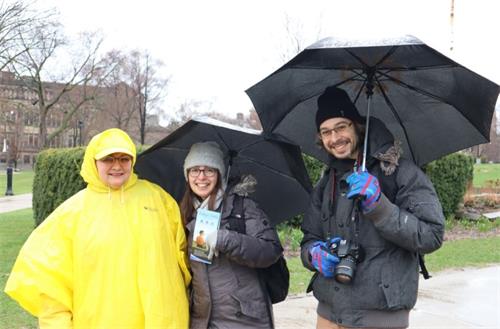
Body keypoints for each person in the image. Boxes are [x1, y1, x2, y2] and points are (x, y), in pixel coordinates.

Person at [5, 128, 191, 328]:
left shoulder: (159, 199)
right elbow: (48, 282)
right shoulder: (72, 213)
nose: (117, 166)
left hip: (159, 320)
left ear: (132, 162)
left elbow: (184, 257)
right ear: (93, 162)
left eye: (124, 159)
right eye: (108, 159)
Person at [300, 86, 445, 329]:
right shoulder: (328, 181)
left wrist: (379, 207)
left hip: (378, 317)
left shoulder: (400, 171)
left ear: (357, 125)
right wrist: (313, 254)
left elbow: (431, 235)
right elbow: (309, 237)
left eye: (341, 127)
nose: (334, 139)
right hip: (328, 312)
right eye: (326, 132)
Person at [180, 141, 283, 329]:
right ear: (187, 175)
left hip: (242, 319)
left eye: (209, 170)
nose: (201, 177)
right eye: (194, 170)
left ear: (219, 174)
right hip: (203, 319)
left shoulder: (242, 207)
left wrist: (224, 239)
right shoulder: (185, 212)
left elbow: (271, 250)